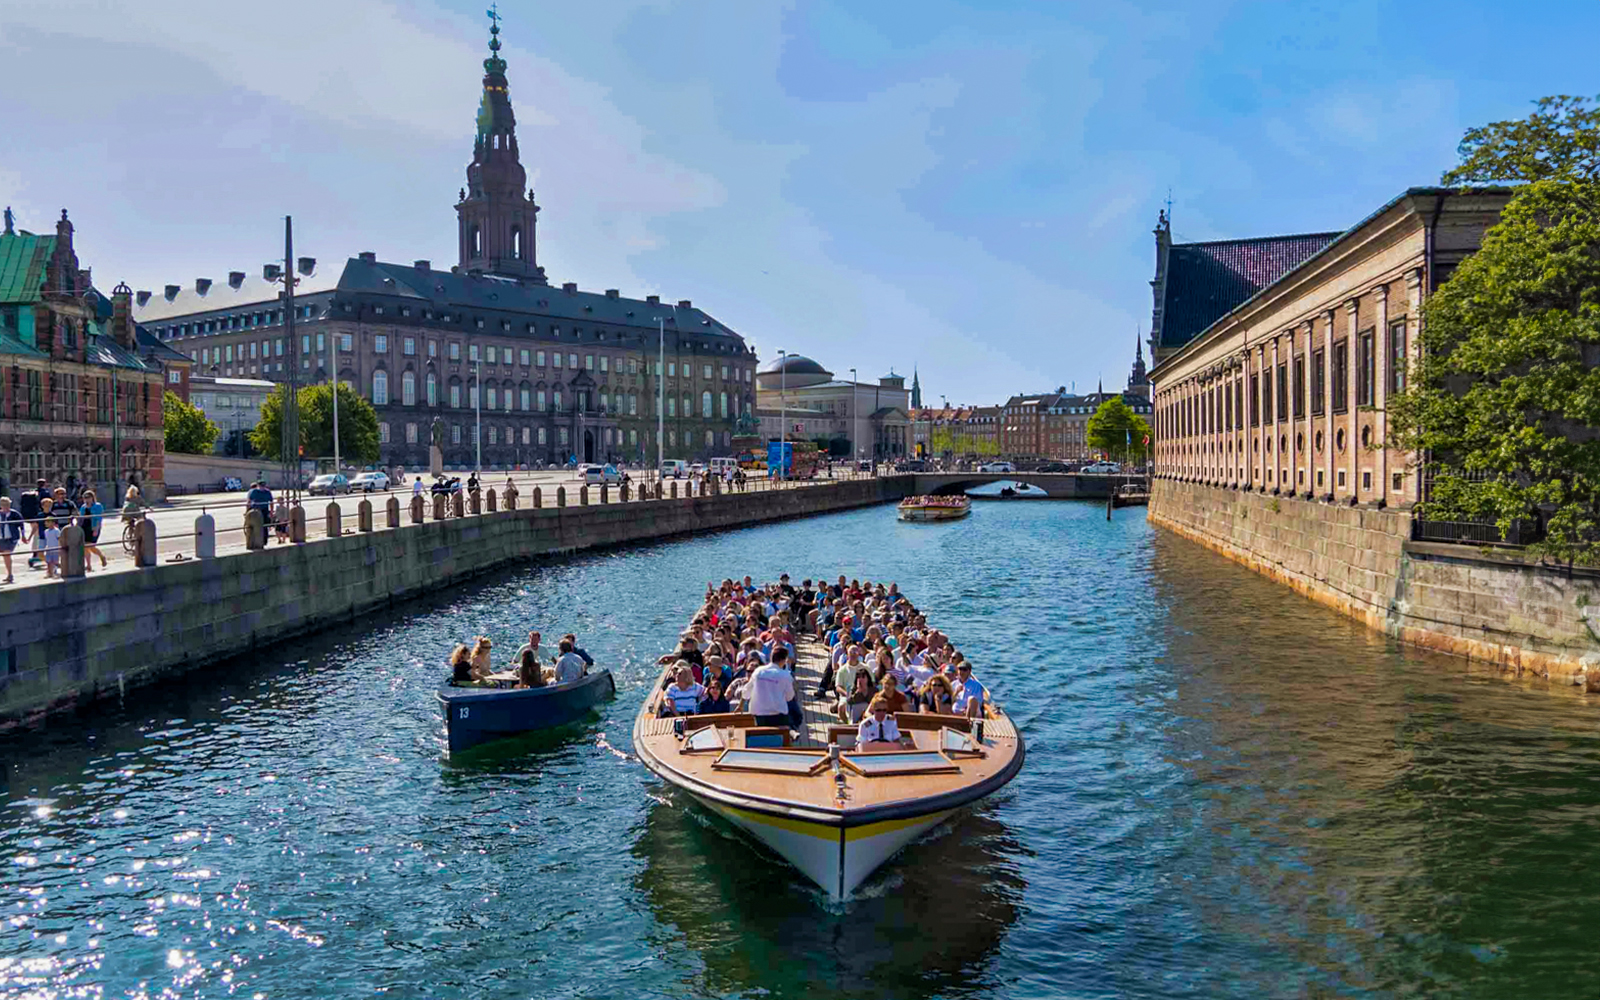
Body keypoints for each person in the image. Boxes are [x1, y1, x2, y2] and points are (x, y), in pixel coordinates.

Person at [747, 650, 797, 728]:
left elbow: (747, 691)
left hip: (759, 715)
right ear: (784, 660)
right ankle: (793, 728)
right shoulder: (785, 675)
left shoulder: (758, 671)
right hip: (778, 716)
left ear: (771, 658)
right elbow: (789, 697)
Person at [79, 489, 106, 571]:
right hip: (84, 527)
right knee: (85, 547)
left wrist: (96, 529)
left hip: (93, 527)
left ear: (92, 498)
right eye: (85, 498)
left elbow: (98, 518)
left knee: (90, 546)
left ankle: (101, 556)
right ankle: (88, 565)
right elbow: (81, 518)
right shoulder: (83, 507)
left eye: (88, 497)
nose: (87, 499)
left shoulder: (98, 506)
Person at [0, 496, 21, 583]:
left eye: (7, 504)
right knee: (5, 555)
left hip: (10, 538)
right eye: (3, 504)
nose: (5, 506)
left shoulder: (14, 513)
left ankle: (10, 574)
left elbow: (21, 524)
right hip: (1, 537)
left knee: (7, 555)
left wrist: (24, 536)